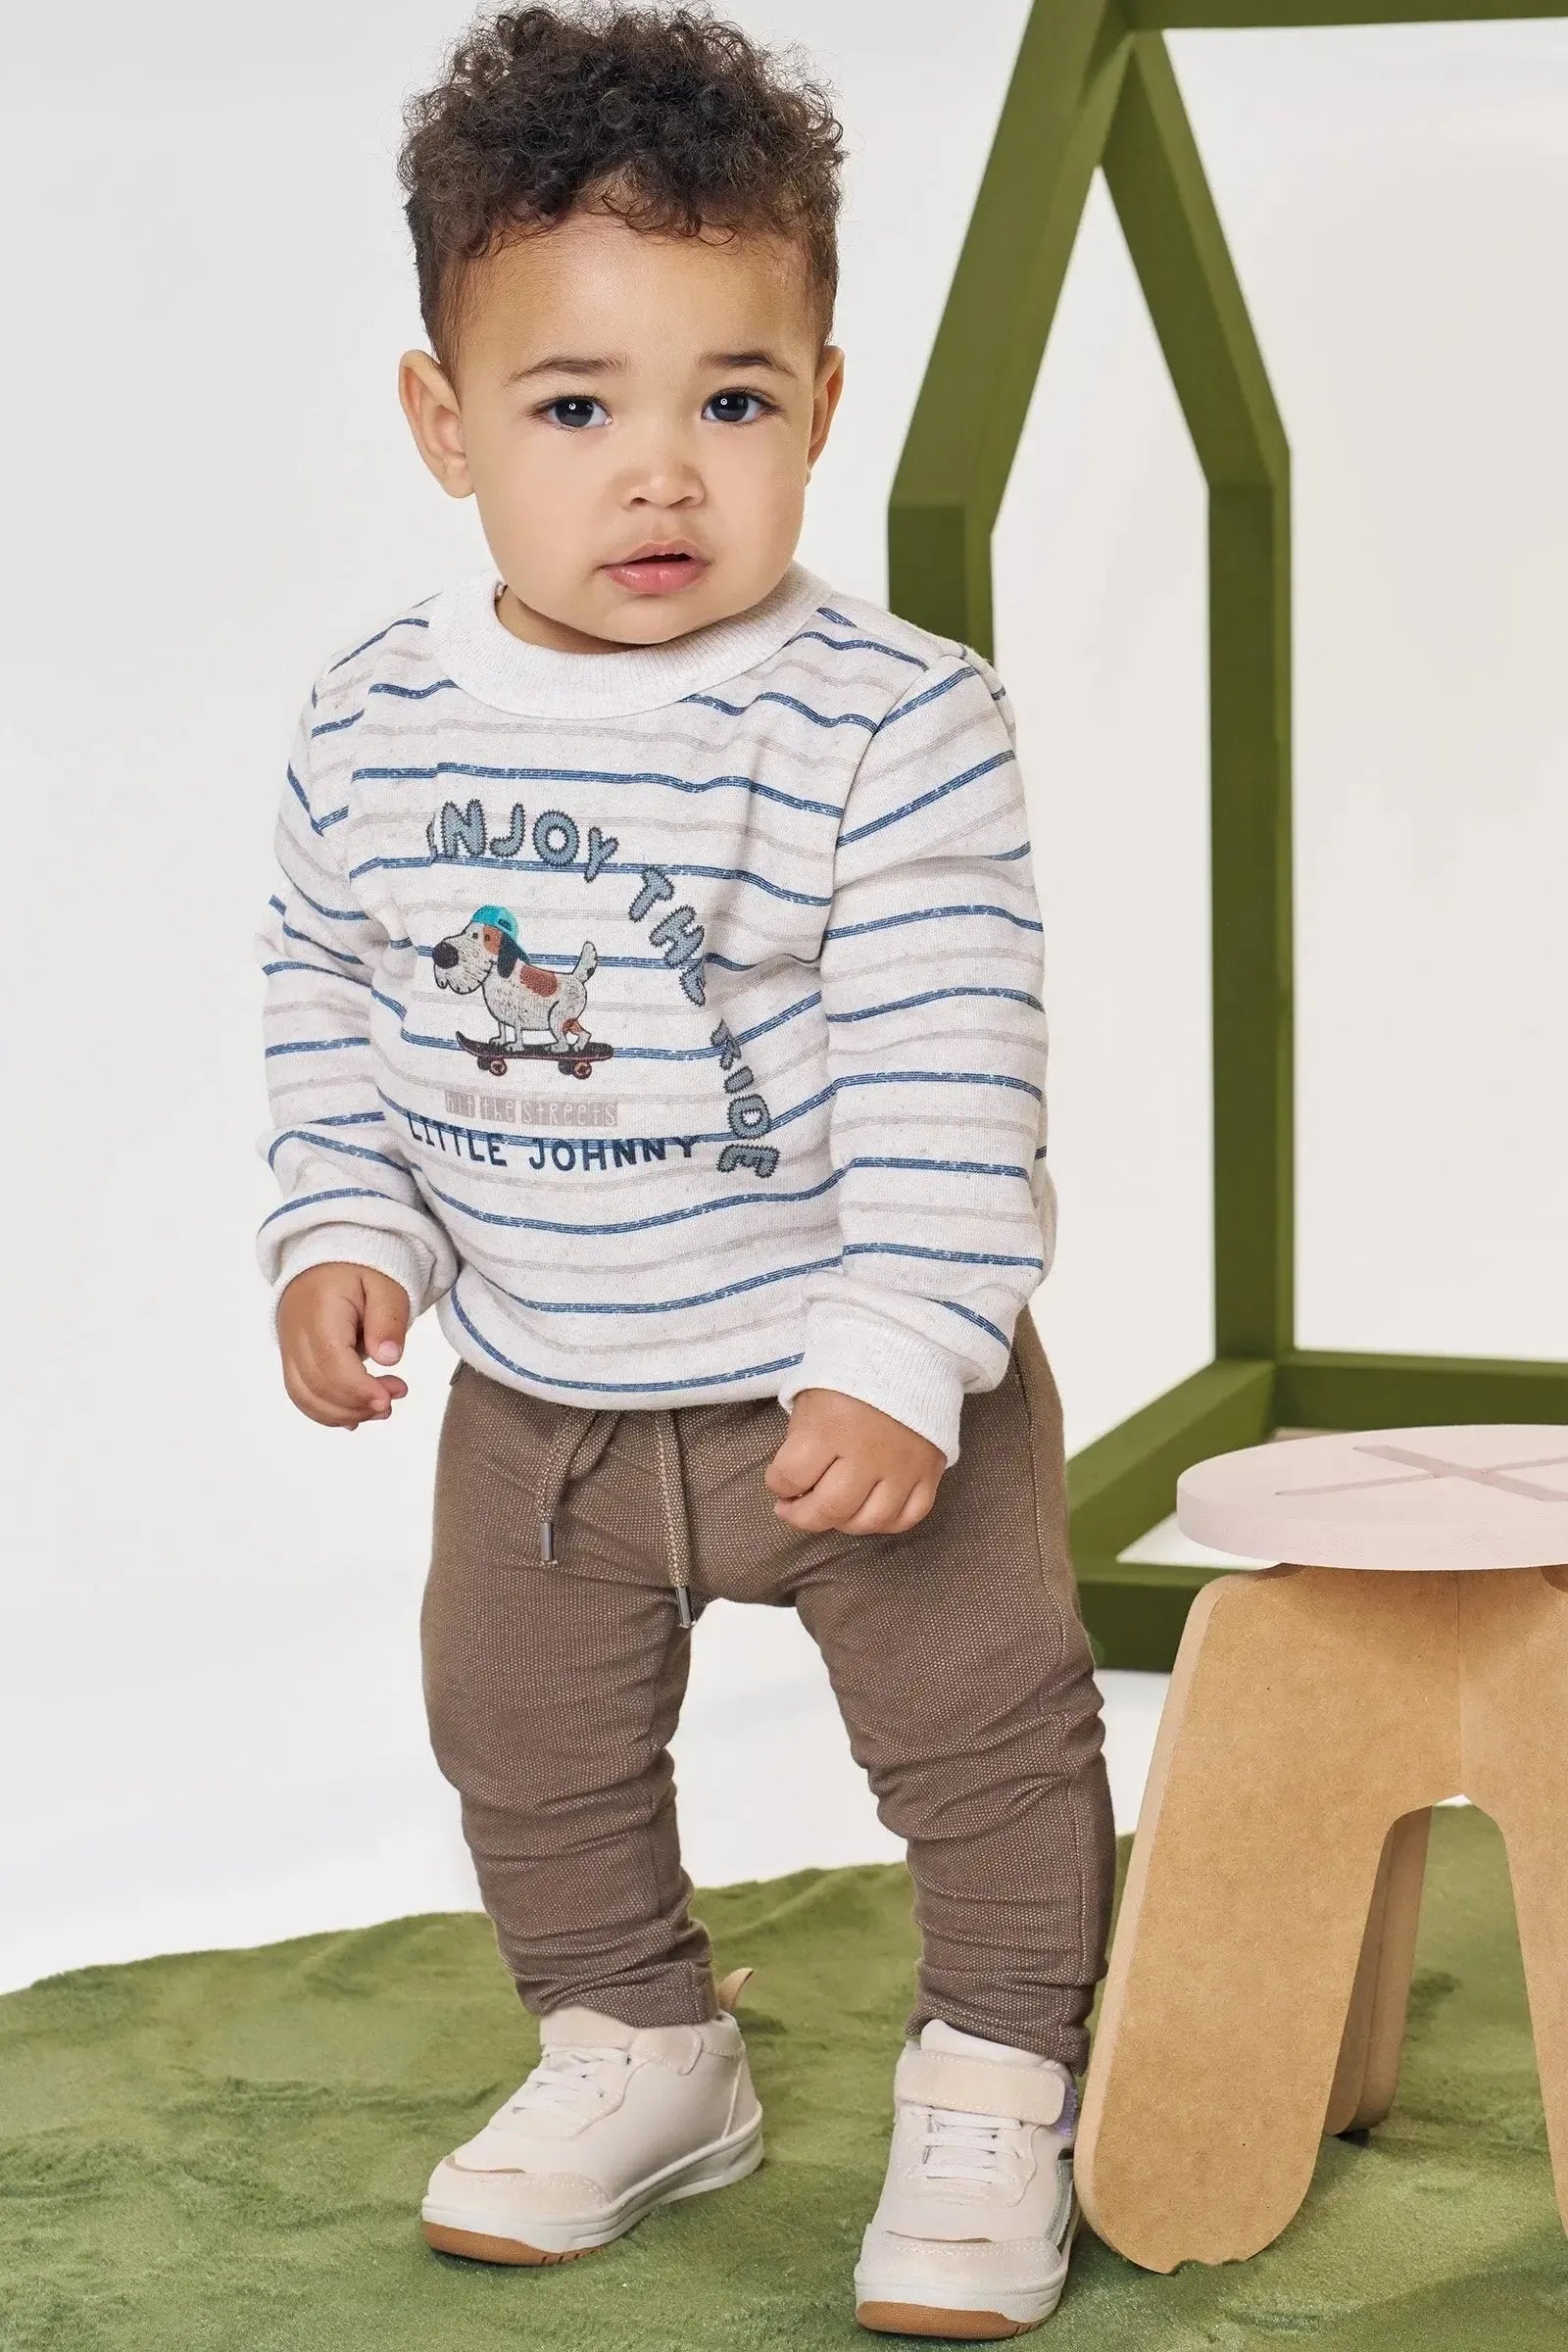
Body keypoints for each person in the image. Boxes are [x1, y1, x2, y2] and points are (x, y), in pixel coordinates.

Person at [252, 1, 1114, 2335]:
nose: (658, 476)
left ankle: (1000, 2065)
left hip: (849, 1386)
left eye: (729, 404)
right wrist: (343, 1222)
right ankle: (638, 2040)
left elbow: (954, 1064)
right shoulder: (372, 717)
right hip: (542, 1389)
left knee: (983, 1743)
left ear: (818, 405)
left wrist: (903, 1350)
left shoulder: (889, 722)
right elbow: (332, 984)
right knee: (519, 1738)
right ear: (443, 422)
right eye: (573, 409)